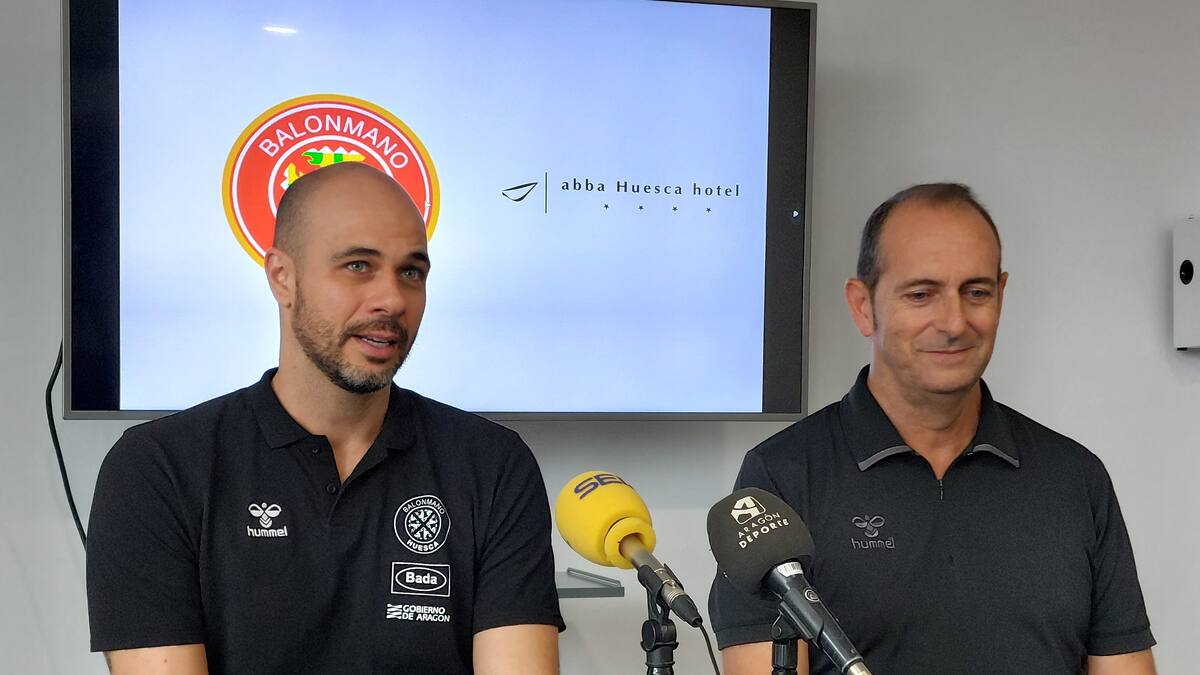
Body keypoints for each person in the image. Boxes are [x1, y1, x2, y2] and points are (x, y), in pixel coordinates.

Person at [87, 163, 563, 674]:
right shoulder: (157, 469)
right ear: (282, 278)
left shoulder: (493, 465)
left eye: (411, 272)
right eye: (359, 265)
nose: (392, 300)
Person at [709, 183, 1156, 674]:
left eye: (976, 292)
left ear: (1001, 296)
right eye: (921, 294)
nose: (954, 321)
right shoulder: (783, 477)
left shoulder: (1075, 478)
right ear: (863, 306)